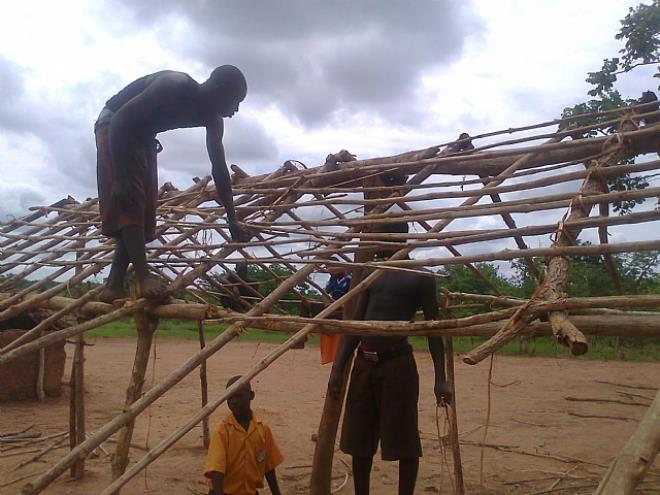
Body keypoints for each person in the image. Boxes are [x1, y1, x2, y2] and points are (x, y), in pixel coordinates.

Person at [96, 66, 249, 303]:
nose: (235, 110)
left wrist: (232, 219)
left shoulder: (212, 119)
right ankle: (143, 277)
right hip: (115, 126)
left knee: (145, 205)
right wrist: (120, 177)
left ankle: (114, 285)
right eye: (235, 102)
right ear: (219, 91)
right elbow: (120, 121)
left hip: (143, 134)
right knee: (130, 197)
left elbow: (219, 167)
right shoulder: (173, 86)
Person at [328, 222, 451, 495]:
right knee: (359, 439)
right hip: (364, 363)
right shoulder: (372, 274)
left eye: (383, 236)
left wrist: (441, 379)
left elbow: (434, 330)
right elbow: (355, 326)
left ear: (398, 237)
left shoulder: (421, 277)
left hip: (397, 366)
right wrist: (339, 369)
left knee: (404, 439)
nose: (379, 242)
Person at [204, 375, 284, 495]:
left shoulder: (263, 429)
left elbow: (269, 467)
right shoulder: (222, 431)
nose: (234, 401)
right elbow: (216, 471)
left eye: (239, 396)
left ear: (251, 396)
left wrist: (276, 493)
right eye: (230, 397)